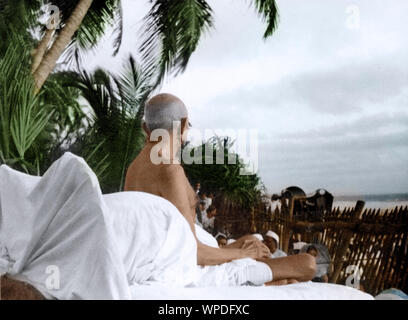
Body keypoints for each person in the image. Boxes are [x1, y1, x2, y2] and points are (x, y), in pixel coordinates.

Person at [124, 93, 316, 285]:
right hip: (192, 266)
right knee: (307, 263)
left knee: (252, 242)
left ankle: (271, 278)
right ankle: (269, 278)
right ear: (183, 125)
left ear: (145, 128)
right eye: (188, 126)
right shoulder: (168, 170)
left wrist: (242, 249)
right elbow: (191, 252)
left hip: (178, 257)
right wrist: (243, 253)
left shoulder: (133, 170)